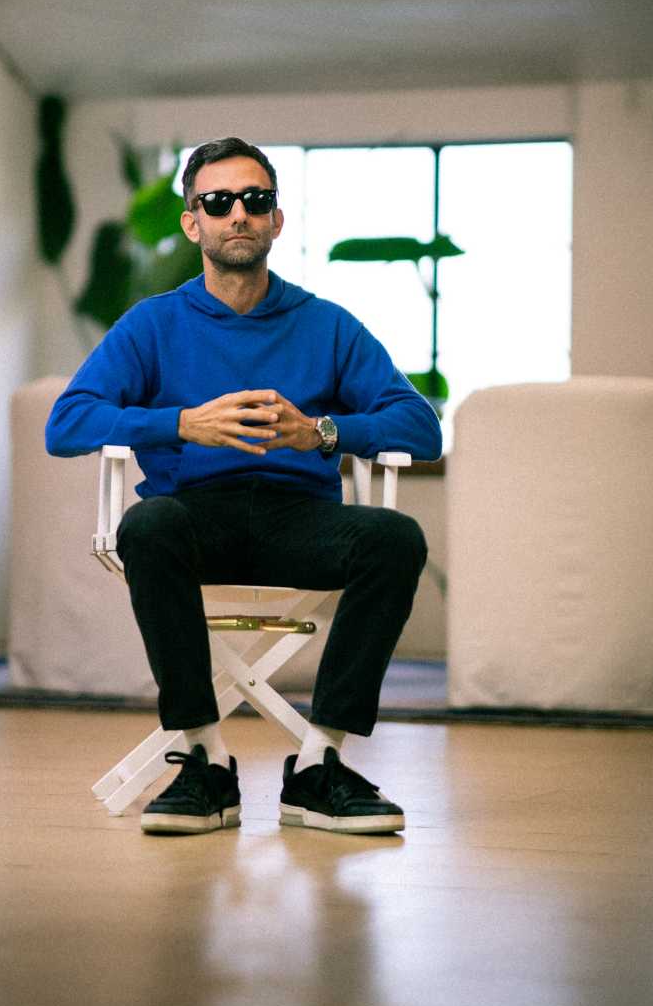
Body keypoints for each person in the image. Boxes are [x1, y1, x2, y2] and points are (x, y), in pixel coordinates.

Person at [46, 136, 442, 836]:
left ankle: (319, 764)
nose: (239, 214)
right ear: (192, 222)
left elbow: (420, 427)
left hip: (301, 520)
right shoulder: (153, 324)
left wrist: (320, 433)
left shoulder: (326, 324)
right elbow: (67, 423)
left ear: (276, 220)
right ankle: (205, 761)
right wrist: (181, 424)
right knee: (149, 524)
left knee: (394, 538)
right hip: (194, 520)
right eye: (219, 201)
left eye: (255, 200)